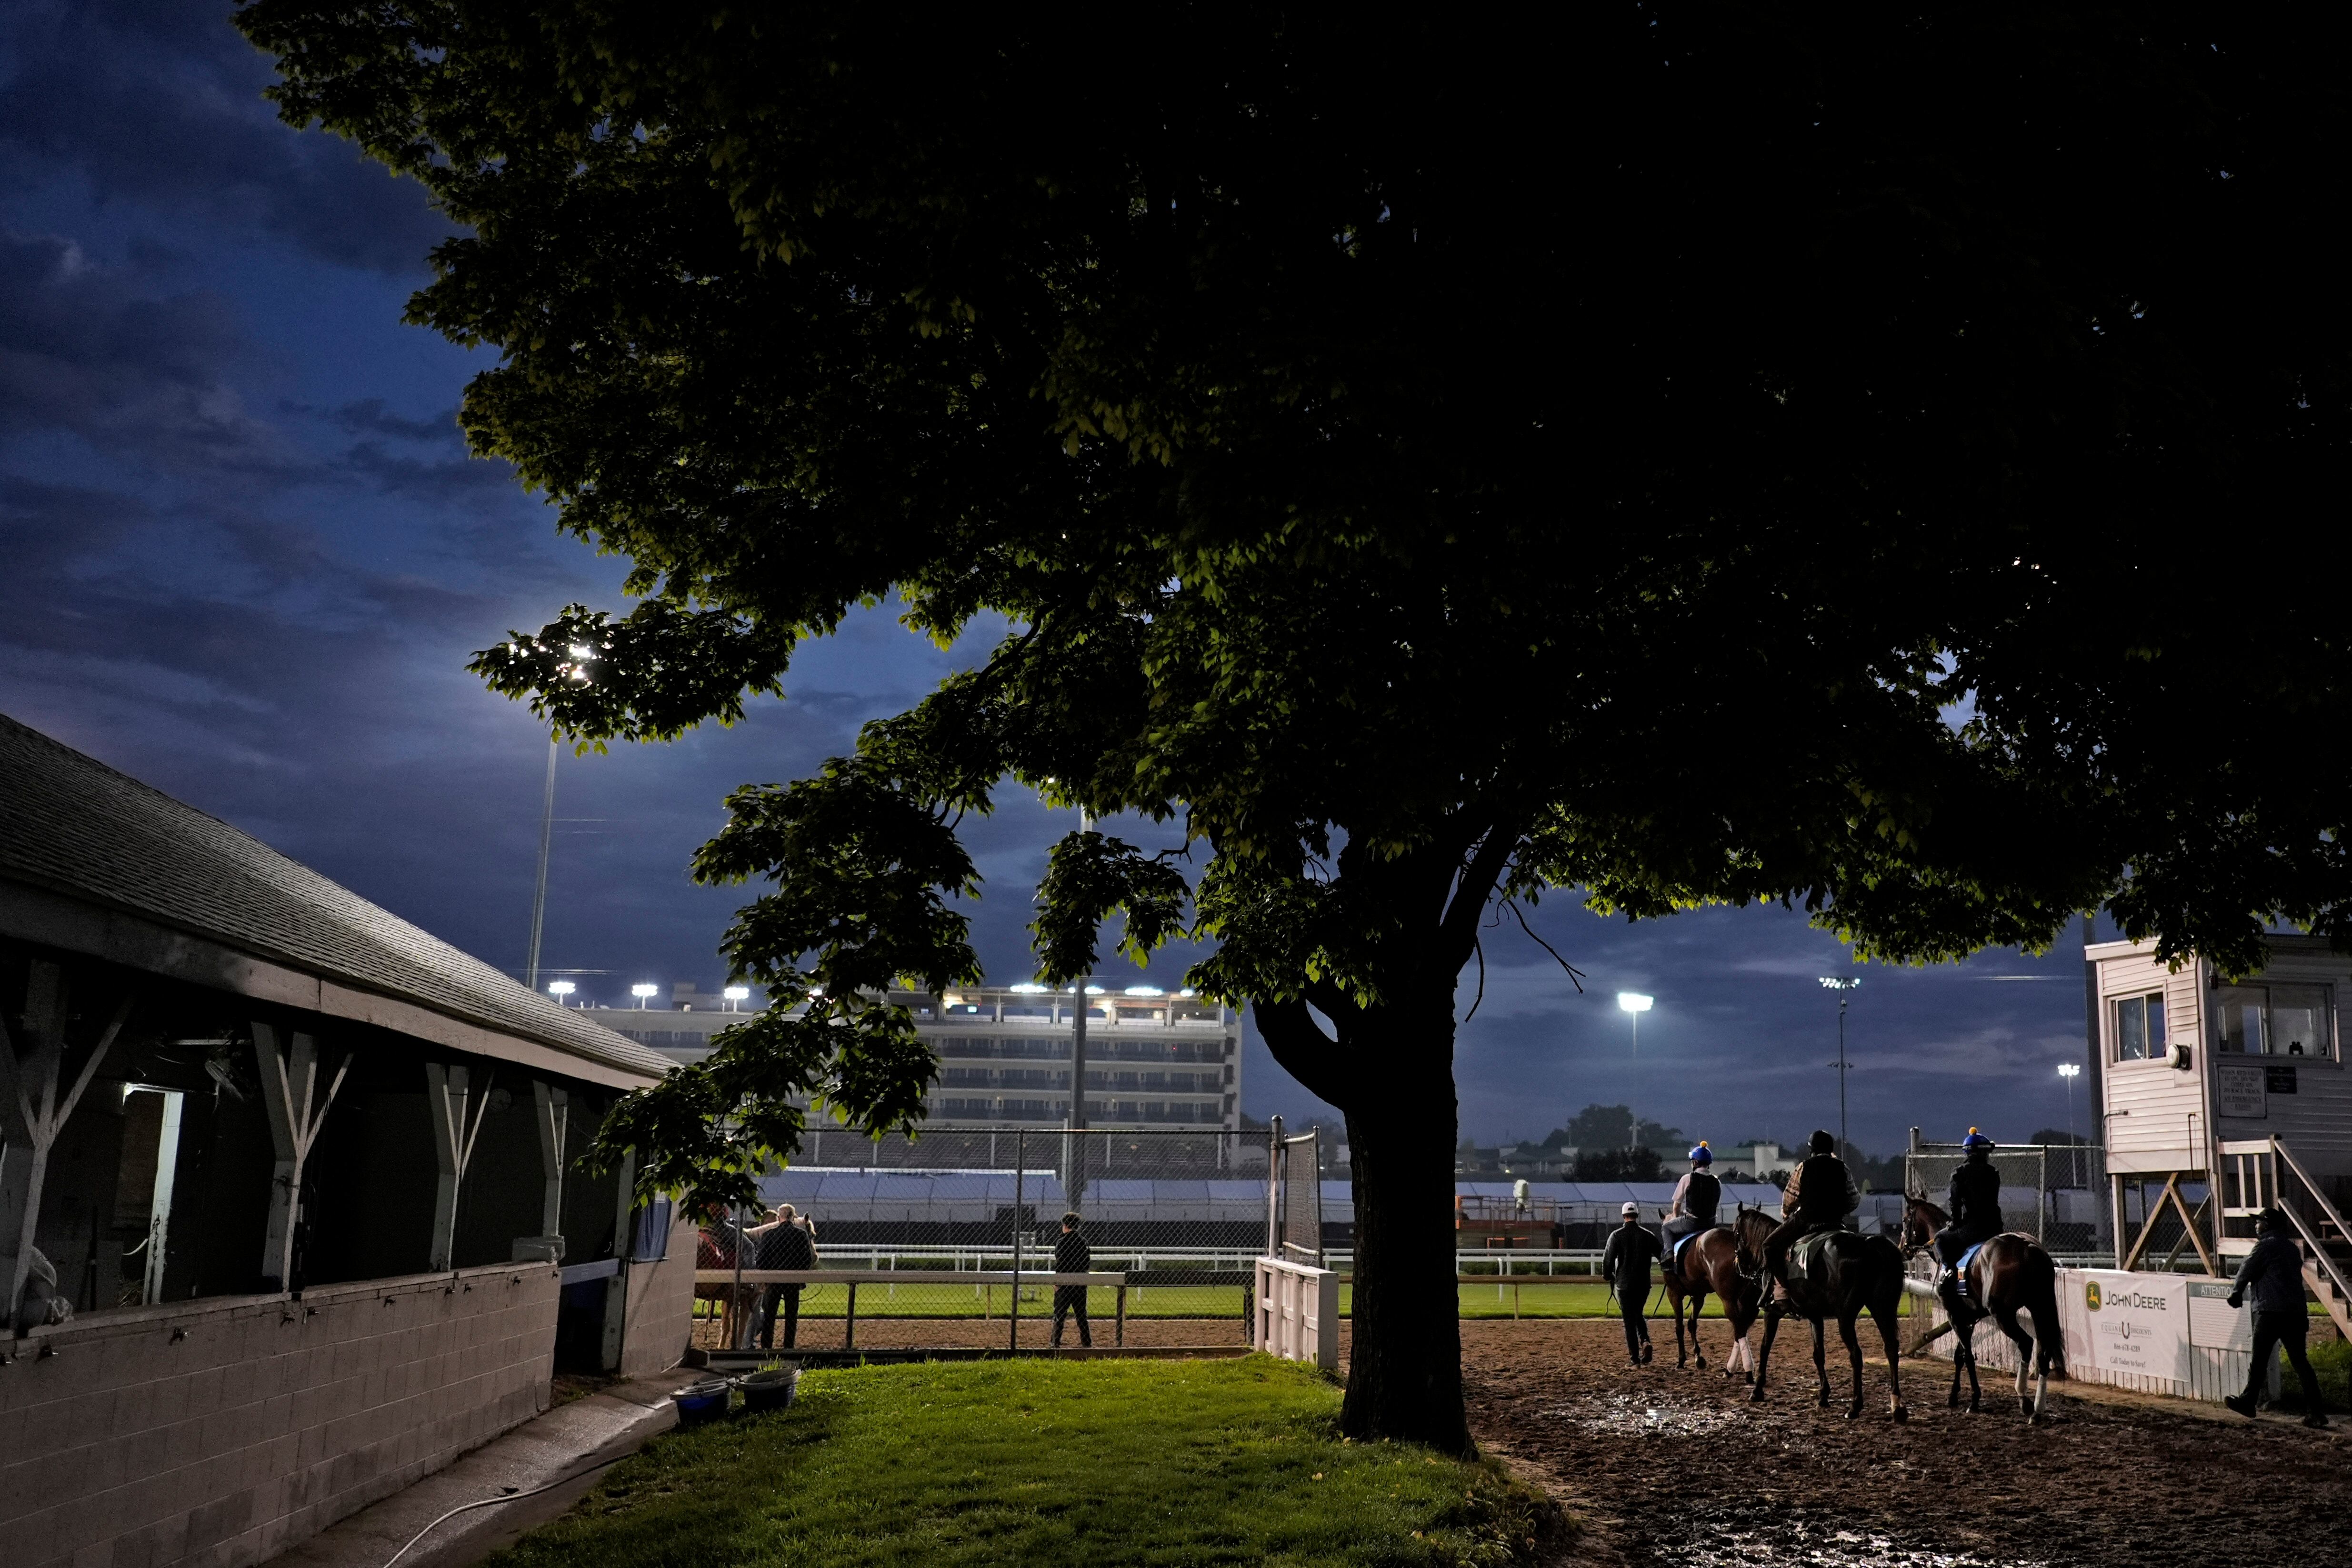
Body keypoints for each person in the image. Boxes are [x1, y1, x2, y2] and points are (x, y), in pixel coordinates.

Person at [2224, 1207, 2328, 1428]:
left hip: (2271, 1310)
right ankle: (2316, 1411)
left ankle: (2249, 1402)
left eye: (2259, 1222)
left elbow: (2246, 1269)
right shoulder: (2291, 1248)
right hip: (2296, 1311)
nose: (2256, 1226)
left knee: (2260, 1359)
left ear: (2267, 1225)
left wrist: (2236, 1292)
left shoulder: (2265, 1245)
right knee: (2301, 1362)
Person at [1762, 1130, 1858, 1293]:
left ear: (1811, 1150)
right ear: (1830, 1149)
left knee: (1768, 1246)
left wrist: (1786, 1217)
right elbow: (1854, 1199)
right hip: (1836, 1223)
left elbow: (1789, 1198)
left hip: (1807, 1221)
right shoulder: (1843, 1167)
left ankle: (1783, 1291)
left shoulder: (1803, 1167)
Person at [1935, 1128, 2003, 1303]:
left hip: (1973, 1229)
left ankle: (1949, 1274)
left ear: (1968, 1152)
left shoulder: (1959, 1173)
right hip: (1995, 1227)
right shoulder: (1993, 1172)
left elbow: (1955, 1203)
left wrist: (1955, 1223)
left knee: (1940, 1239)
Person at [1601, 1200, 1662, 1365]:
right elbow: (1662, 1255)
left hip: (1624, 1284)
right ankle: (1645, 1341)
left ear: (1624, 1216)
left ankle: (1634, 1359)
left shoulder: (1616, 1235)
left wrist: (1607, 1275)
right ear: (1637, 1215)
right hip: (1643, 1285)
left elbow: (1608, 1260)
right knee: (1637, 1314)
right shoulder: (1648, 1235)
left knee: (1629, 1320)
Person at [753, 1203, 818, 1350]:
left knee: (770, 1315)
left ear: (779, 1217)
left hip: (773, 1281)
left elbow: (762, 1259)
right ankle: (788, 1346)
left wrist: (765, 1278)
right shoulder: (801, 1235)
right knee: (791, 1316)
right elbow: (807, 1259)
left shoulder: (769, 1234)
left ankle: (766, 1346)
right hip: (792, 1281)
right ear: (793, 1217)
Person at [1661, 1142, 1722, 1253]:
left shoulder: (1687, 1178)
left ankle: (1669, 1255)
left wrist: (1675, 1218)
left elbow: (1677, 1206)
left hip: (1692, 1222)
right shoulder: (1716, 1181)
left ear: (1695, 1162)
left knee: (1666, 1228)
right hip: (1711, 1223)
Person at [1051, 1211, 1093, 1348]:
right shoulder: (1084, 1243)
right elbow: (1086, 1264)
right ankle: (1087, 1343)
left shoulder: (1062, 1242)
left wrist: (1057, 1282)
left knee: (1059, 1315)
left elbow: (1060, 1263)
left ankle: (1055, 1342)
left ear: (1065, 1225)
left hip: (1065, 1284)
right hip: (1080, 1284)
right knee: (1082, 1316)